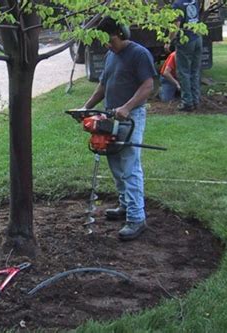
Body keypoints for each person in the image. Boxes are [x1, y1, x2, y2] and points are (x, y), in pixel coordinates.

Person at [82, 17, 157, 241]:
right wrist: (85, 107)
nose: (108, 45)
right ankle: (125, 205)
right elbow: (103, 86)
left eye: (110, 40)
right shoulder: (109, 56)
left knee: (130, 166)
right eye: (104, 41)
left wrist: (127, 107)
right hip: (110, 116)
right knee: (115, 163)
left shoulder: (139, 54)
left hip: (130, 116)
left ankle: (136, 218)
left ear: (122, 33)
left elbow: (148, 86)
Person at [165, 0, 202, 112]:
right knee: (195, 71)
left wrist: (168, 41)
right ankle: (196, 100)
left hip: (185, 41)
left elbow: (176, 26)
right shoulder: (194, 1)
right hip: (197, 38)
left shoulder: (177, 5)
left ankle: (187, 103)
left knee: (184, 72)